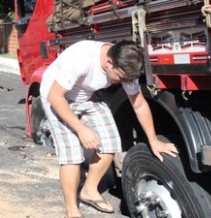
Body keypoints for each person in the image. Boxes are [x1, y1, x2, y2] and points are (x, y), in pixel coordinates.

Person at [40, 40, 178, 218]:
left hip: (87, 96)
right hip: (57, 97)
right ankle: (71, 210)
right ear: (108, 62)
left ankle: (89, 190)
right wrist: (81, 129)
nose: (120, 82)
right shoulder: (82, 59)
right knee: (72, 155)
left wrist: (153, 140)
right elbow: (55, 96)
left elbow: (139, 104)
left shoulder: (126, 66)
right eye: (119, 78)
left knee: (111, 143)